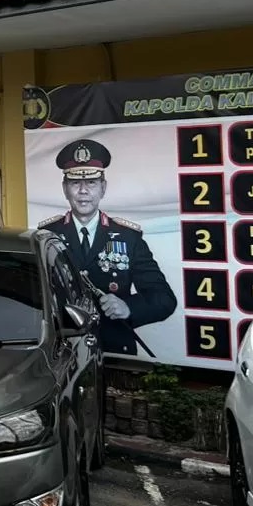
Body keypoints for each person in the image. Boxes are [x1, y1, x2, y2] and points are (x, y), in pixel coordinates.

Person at [38, 139, 178, 357]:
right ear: (65, 189)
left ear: (103, 188)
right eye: (75, 183)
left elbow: (164, 299)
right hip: (63, 353)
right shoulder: (47, 235)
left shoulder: (128, 237)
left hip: (114, 350)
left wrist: (128, 307)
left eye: (92, 183)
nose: (83, 191)